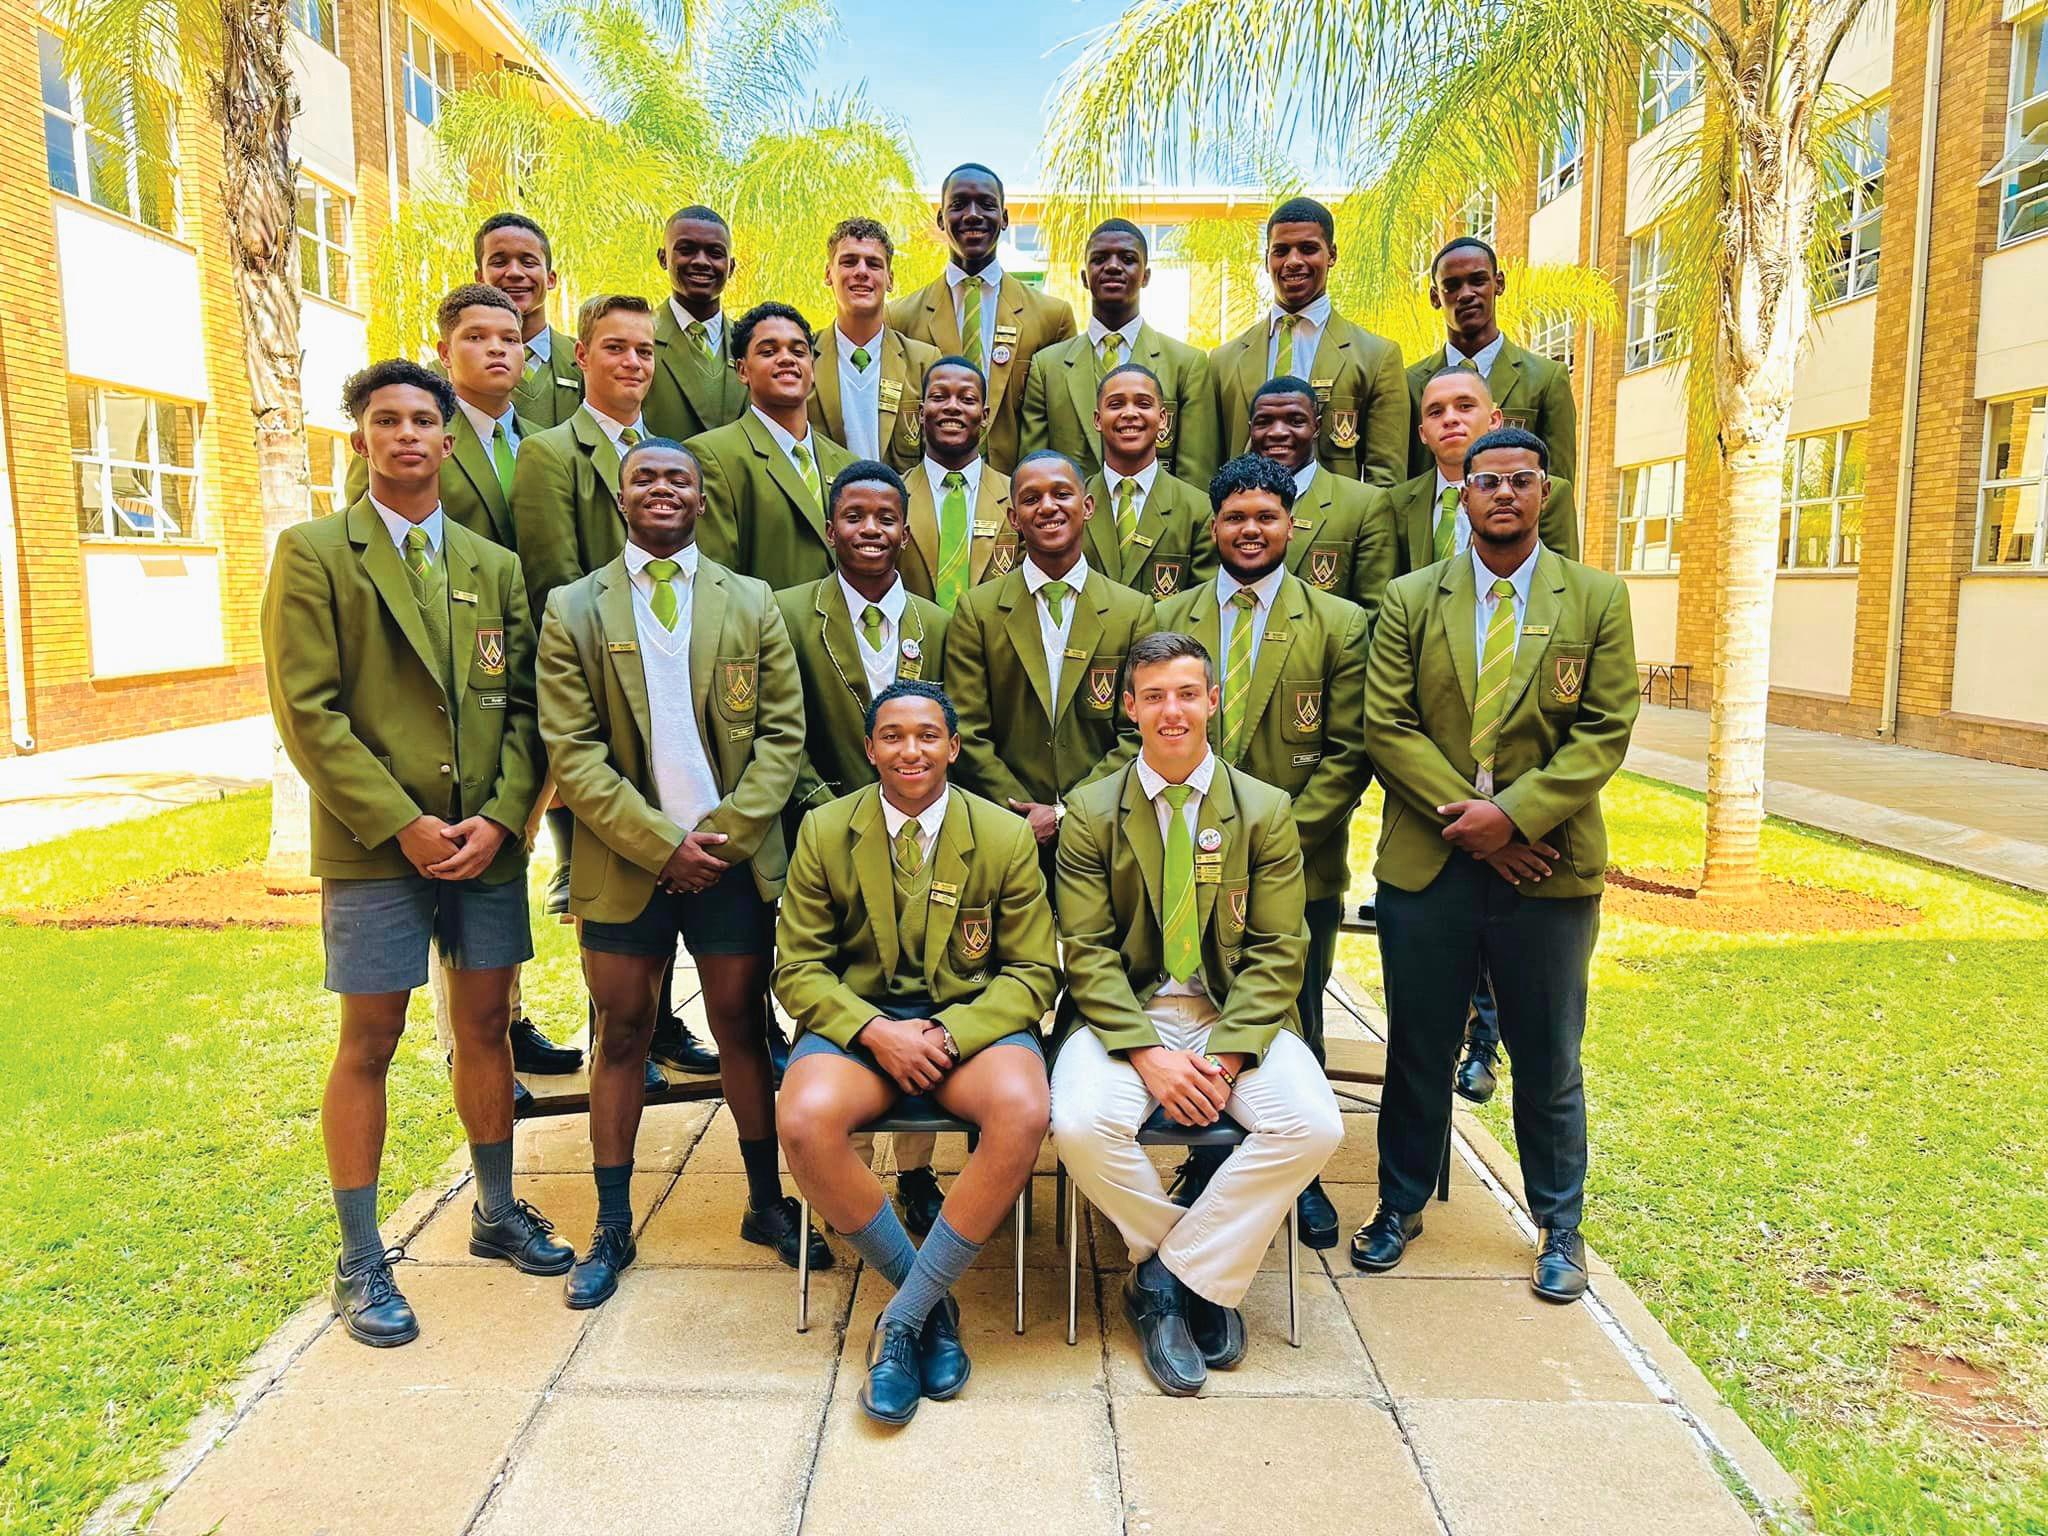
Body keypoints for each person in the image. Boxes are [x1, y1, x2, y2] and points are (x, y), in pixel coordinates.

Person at [263, 360, 571, 1348]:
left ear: (447, 438)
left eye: (421, 421)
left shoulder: (491, 565)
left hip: (483, 842)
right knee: (371, 1040)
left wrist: (504, 818)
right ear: (361, 440)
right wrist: (402, 822)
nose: (406, 435)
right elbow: (308, 713)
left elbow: (525, 707)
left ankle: (495, 1210)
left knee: (486, 1026)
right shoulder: (315, 554)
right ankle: (360, 1260)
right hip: (374, 847)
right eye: (386, 421)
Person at [537, 437, 828, 1305]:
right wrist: (659, 843)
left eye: (678, 479)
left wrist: (721, 837)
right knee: (621, 1033)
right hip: (625, 860)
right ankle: (612, 1223)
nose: (662, 489)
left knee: (742, 1026)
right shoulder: (574, 608)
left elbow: (783, 735)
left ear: (701, 501)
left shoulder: (751, 601)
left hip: (729, 862)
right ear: (620, 499)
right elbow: (572, 750)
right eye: (645, 478)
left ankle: (765, 1202)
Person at [1355, 427, 1637, 1304]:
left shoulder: (1595, 598)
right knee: (1419, 1048)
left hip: (1547, 869)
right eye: (1488, 481)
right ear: (1464, 495)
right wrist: (1478, 826)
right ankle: (1399, 1205)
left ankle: (1559, 1226)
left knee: (1548, 1056)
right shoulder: (1410, 598)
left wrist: (1513, 818)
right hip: (1430, 864)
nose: (1504, 494)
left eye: (1521, 479)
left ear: (1544, 491)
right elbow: (1387, 724)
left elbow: (1605, 729)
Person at [1051, 630, 1344, 1397]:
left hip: (1232, 1018)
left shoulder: (1265, 810)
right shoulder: (1090, 811)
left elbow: (1281, 950)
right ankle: (1198, 1271)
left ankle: (1164, 1283)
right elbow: (1086, 952)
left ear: (1213, 700)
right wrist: (1148, 1055)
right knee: (1079, 1125)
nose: (1171, 711)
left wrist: (1227, 1059)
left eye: (1186, 693)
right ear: (1129, 707)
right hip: (1125, 1018)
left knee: (1314, 1125)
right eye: (1153, 696)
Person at [774, 680, 1059, 1424]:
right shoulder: (824, 830)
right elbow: (798, 969)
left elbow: (1035, 971)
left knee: (1023, 1108)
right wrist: (875, 1031)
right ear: (869, 749)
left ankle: (901, 1320)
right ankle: (927, 1301)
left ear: (954, 747)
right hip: (862, 1026)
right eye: (893, 736)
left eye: (928, 735)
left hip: (968, 1026)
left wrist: (951, 1033)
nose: (911, 750)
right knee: (803, 1119)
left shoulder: (1002, 836)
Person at [344, 283, 580, 1080]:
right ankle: (473, 1046)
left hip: (534, 675)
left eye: (510, 338)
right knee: (459, 862)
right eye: (477, 337)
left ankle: (505, 1024)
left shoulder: (540, 440)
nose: (497, 349)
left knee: (509, 858)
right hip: (445, 692)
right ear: (445, 351)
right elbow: (374, 565)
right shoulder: (411, 439)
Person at [1155, 454, 1370, 1248]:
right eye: (1235, 517)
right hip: (1181, 857)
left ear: (1291, 524)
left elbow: (1348, 751)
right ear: (1214, 527)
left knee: (1292, 1013)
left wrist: (1273, 840)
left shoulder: (1340, 623)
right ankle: (1209, 1162)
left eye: (1266, 517)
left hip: (1298, 862)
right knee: (1204, 1004)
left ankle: (1298, 1178)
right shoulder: (1171, 616)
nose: (1250, 530)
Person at [777, 460, 953, 1233]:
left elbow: (946, 731)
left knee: (924, 980)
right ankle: (841, 1173)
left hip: (922, 832)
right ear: (830, 529)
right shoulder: (789, 613)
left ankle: (914, 1172)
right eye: (855, 516)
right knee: (836, 981)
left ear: (905, 532)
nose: (871, 529)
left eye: (886, 517)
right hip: (825, 831)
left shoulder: (937, 623)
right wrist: (837, 811)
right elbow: (780, 728)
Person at [944, 449, 1157, 887]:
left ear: (1088, 506)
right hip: (1006, 830)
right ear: (1014, 517)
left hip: (1105, 829)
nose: (1048, 507)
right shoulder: (977, 612)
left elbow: (1138, 730)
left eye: (1062, 494)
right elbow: (966, 730)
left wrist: (1066, 812)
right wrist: (1022, 812)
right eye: (1031, 498)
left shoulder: (1132, 612)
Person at [888, 163, 1076, 472]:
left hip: (1019, 492)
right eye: (959, 204)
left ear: (1004, 218)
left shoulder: (1053, 317)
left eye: (987, 205)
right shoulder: (899, 318)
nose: (973, 215)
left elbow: (1063, 422)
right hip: (929, 490)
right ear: (941, 219)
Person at [1211, 197, 1407, 486]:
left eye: (1308, 249)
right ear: (1267, 259)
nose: (1293, 261)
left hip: (1337, 516)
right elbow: (1209, 473)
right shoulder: (1222, 361)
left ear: (1332, 255)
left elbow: (1386, 479)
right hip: (1247, 513)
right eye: (1281, 251)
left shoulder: (1376, 357)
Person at [1020, 218, 1219, 488]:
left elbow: (1195, 480)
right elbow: (1034, 473)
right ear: (1084, 278)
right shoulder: (1046, 367)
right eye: (1099, 259)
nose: (1113, 266)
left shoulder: (1187, 364)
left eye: (1127, 259)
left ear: (1146, 276)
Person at [691, 302, 856, 593]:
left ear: (812, 367)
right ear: (742, 370)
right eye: (769, 352)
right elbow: (718, 580)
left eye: (798, 351)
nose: (786, 359)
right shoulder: (712, 457)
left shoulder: (846, 464)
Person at [1404, 238, 1578, 484]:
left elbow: (1558, 484)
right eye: (1452, 286)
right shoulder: (1409, 383)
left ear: (1499, 283)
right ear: (1435, 297)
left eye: (1478, 281)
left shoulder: (1546, 378)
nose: (1466, 294)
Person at [1244, 377, 1397, 629]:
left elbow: (1372, 614)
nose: (1278, 432)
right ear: (1251, 429)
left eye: (1295, 421)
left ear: (1317, 427)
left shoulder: (1365, 505)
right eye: (1264, 422)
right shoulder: (1227, 504)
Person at [1395, 366, 1579, 573]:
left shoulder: (1547, 492)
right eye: (1436, 412)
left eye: (1465, 406)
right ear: (1422, 433)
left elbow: (1562, 581)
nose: (1450, 419)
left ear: (1494, 420)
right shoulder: (1397, 503)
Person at [1077, 364, 1216, 601]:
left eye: (1143, 404)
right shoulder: (1073, 505)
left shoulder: (1199, 510)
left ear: (1163, 419)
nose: (1130, 413)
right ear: (1098, 420)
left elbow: (1201, 603)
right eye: (1116, 404)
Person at [809, 217, 939, 471]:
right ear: (828, 274)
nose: (861, 272)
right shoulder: (803, 358)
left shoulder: (924, 362)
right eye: (849, 262)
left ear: (890, 279)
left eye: (873, 264)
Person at [898, 358, 1020, 604]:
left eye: (967, 399)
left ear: (984, 415)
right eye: (939, 397)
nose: (952, 407)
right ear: (921, 413)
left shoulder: (1015, 496)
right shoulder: (894, 497)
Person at [644, 204, 747, 443]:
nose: (701, 261)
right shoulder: (640, 340)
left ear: (731, 267)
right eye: (687, 250)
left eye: (715, 253)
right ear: (663, 258)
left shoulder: (752, 344)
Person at [474, 212, 584, 429]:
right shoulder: (446, 371)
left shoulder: (586, 363)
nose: (515, 272)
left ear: (550, 278)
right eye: (499, 262)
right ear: (479, 279)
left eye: (528, 262)